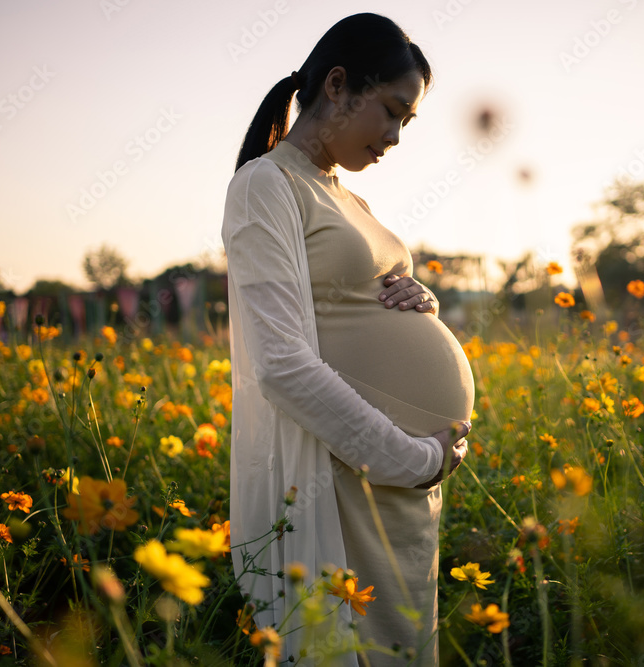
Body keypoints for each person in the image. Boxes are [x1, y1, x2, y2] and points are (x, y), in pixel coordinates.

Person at [222, 13, 475, 665]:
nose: (394, 137)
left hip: (401, 492)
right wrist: (415, 460)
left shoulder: (349, 199)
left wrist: (424, 299)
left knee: (405, 647)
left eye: (407, 123)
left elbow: (362, 302)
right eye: (391, 111)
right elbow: (282, 365)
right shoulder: (265, 187)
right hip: (350, 483)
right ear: (338, 85)